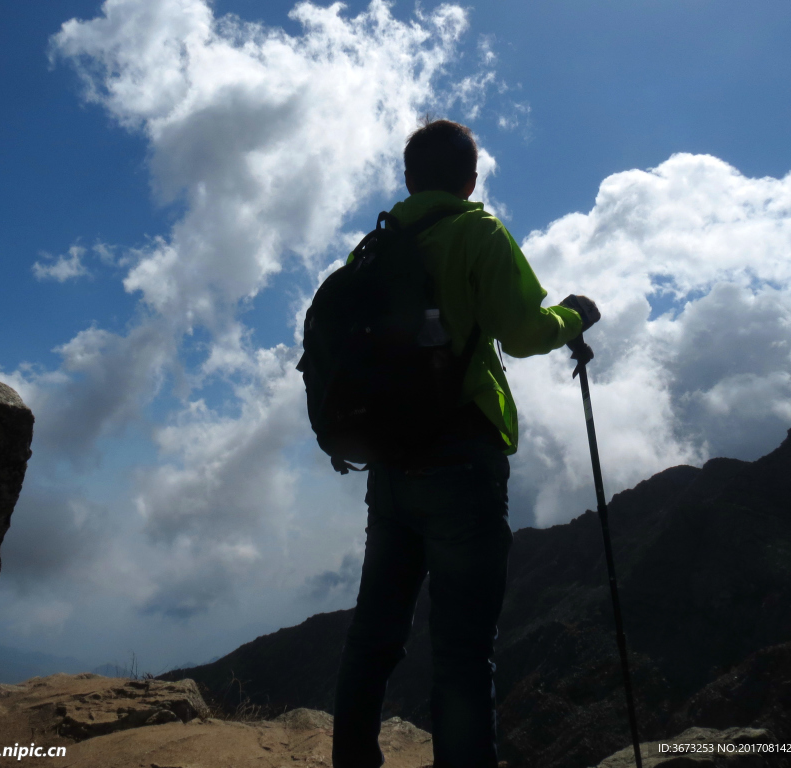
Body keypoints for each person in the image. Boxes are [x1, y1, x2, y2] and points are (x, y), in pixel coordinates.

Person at [331, 118, 600, 768]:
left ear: (408, 179)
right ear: (469, 180)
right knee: (461, 650)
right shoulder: (476, 232)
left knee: (374, 632)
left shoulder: (372, 250)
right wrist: (576, 315)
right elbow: (524, 332)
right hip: (462, 465)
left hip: (390, 466)